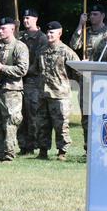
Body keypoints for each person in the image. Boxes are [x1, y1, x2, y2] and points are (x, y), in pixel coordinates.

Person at [32, 21, 80, 161]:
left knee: (61, 125)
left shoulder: (66, 51)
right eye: (47, 32)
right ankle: (43, 151)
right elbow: (35, 69)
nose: (49, 34)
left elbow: (77, 70)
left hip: (60, 94)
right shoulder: (41, 50)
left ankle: (62, 151)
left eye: (52, 32)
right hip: (43, 93)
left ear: (59, 33)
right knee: (42, 124)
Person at [0, 17, 29, 162]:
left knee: (10, 122)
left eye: (4, 28)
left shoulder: (19, 47)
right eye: (0, 28)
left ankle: (9, 155)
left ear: (12, 29)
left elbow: (22, 69)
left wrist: (2, 67)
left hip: (12, 91)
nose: (0, 31)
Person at [70, 4, 107, 153]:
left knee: (101, 114)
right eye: (91, 14)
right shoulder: (86, 33)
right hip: (86, 80)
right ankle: (88, 147)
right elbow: (73, 44)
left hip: (102, 80)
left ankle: (102, 146)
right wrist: (80, 24)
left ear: (103, 16)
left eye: (95, 14)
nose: (92, 17)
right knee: (86, 116)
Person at [17, 8, 47, 155]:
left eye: (28, 18)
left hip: (33, 81)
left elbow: (39, 63)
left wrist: (21, 70)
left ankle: (33, 144)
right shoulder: (20, 36)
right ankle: (23, 145)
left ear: (36, 19)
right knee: (19, 114)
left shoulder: (43, 38)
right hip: (19, 81)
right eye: (24, 18)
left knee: (32, 114)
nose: (25, 20)